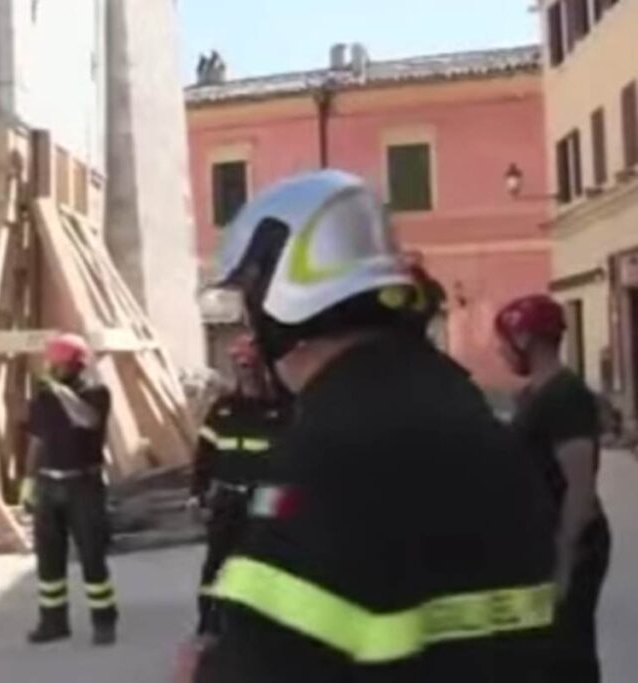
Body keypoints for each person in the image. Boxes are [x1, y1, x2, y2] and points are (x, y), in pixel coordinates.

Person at [177, 170, 555, 682]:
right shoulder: (472, 414)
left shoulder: (328, 454)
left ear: (276, 301)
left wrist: (205, 673)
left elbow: (268, 658)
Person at [495, 294, 611, 683]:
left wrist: (564, 558)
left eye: (503, 341)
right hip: (544, 537)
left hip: (574, 542)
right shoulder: (535, 394)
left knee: (569, 650)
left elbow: (580, 488)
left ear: (524, 339)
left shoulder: (566, 395)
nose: (500, 351)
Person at [21, 332, 117, 646]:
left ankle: (104, 622)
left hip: (83, 486)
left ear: (75, 365)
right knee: (49, 559)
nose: (50, 368)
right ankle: (53, 622)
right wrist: (28, 481)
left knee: (92, 557)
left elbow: (87, 420)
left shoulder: (97, 393)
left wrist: (59, 391)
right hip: (49, 484)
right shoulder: (44, 397)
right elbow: (36, 440)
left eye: (57, 363)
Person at [190, 333, 288, 637]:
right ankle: (208, 624)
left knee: (271, 561)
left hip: (269, 497)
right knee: (216, 562)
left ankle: (267, 627)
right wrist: (196, 493)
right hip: (228, 495)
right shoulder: (223, 408)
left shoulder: (286, 407)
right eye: (240, 365)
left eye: (251, 365)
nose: (246, 372)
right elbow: (205, 454)